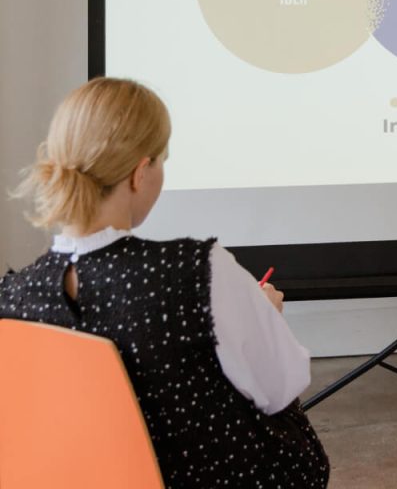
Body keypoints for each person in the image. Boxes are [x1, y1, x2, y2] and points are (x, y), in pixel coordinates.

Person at [1, 78, 330, 488]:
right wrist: (265, 317)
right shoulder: (196, 270)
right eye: (163, 159)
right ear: (141, 172)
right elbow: (283, 385)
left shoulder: (12, 299)